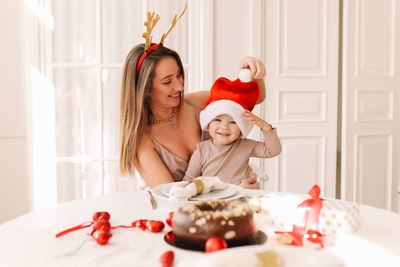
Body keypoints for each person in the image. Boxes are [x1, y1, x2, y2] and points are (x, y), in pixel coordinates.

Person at [119, 42, 267, 189]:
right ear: (145, 89)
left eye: (179, 75)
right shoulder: (141, 143)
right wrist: (235, 191)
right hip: (189, 211)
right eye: (167, 81)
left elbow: (254, 98)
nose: (180, 86)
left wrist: (251, 71)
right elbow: (173, 198)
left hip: (239, 206)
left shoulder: (195, 103)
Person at [182, 71, 282, 187]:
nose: (224, 127)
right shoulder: (202, 151)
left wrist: (265, 127)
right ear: (209, 123)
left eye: (233, 122)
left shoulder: (245, 146)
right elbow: (187, 182)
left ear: (241, 127)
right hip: (214, 201)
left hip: (244, 200)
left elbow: (273, 150)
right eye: (218, 120)